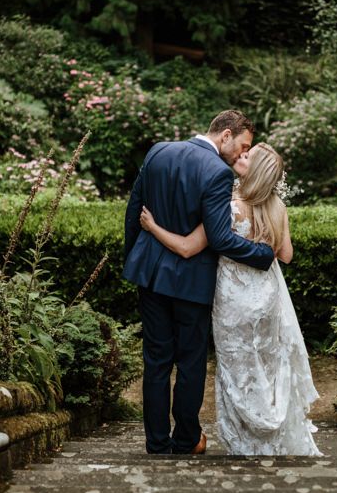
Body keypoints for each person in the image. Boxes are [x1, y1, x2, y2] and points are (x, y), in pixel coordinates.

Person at [140, 142, 321, 456]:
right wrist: (266, 243)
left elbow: (188, 247)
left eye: (248, 156)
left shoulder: (226, 204)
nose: (241, 156)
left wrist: (153, 227)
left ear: (255, 170)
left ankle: (243, 438)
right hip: (266, 295)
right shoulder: (277, 206)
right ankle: (269, 429)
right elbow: (287, 255)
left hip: (233, 297)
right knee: (265, 365)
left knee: (235, 367)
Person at [122, 111, 275, 455]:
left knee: (156, 359)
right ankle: (186, 439)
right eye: (243, 145)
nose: (241, 154)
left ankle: (157, 443)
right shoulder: (218, 172)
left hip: (150, 274)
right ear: (225, 135)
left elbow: (133, 211)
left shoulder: (158, 151)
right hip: (191, 281)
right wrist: (263, 256)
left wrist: (134, 259)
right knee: (190, 361)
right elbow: (220, 239)